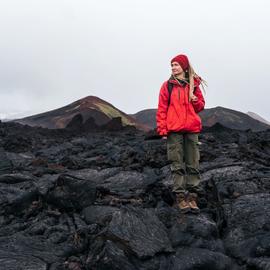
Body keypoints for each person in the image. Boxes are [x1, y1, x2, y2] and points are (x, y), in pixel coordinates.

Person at [156, 54, 207, 214]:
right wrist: (163, 130)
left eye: (176, 65)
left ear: (184, 67)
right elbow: (162, 108)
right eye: (172, 65)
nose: (173, 68)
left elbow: (200, 107)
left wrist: (194, 99)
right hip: (174, 130)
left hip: (191, 129)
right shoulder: (167, 86)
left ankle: (192, 197)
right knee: (176, 164)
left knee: (193, 163)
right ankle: (180, 197)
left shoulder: (193, 85)